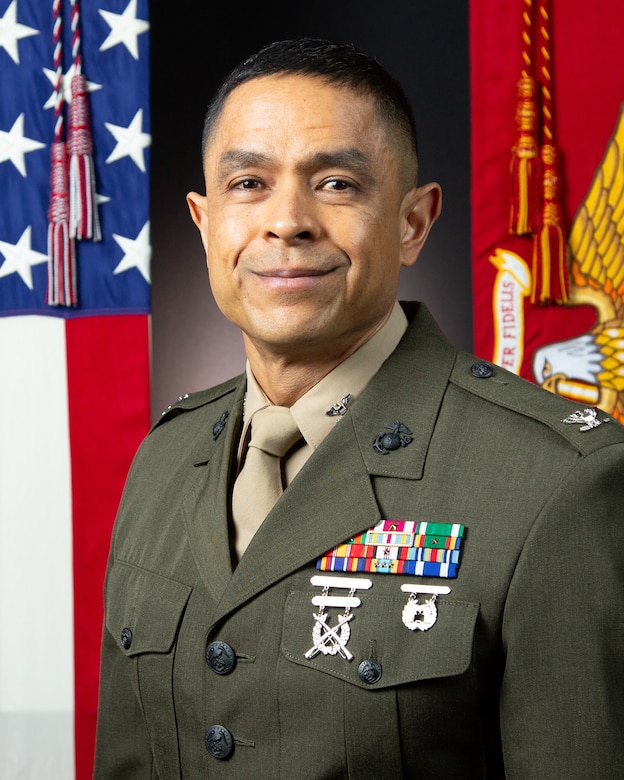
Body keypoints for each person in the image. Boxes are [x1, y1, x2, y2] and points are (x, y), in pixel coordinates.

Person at [94, 38, 624, 778]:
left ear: (413, 222)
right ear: (204, 221)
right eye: (248, 183)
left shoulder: (555, 481)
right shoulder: (162, 461)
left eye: (337, 183)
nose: (287, 222)